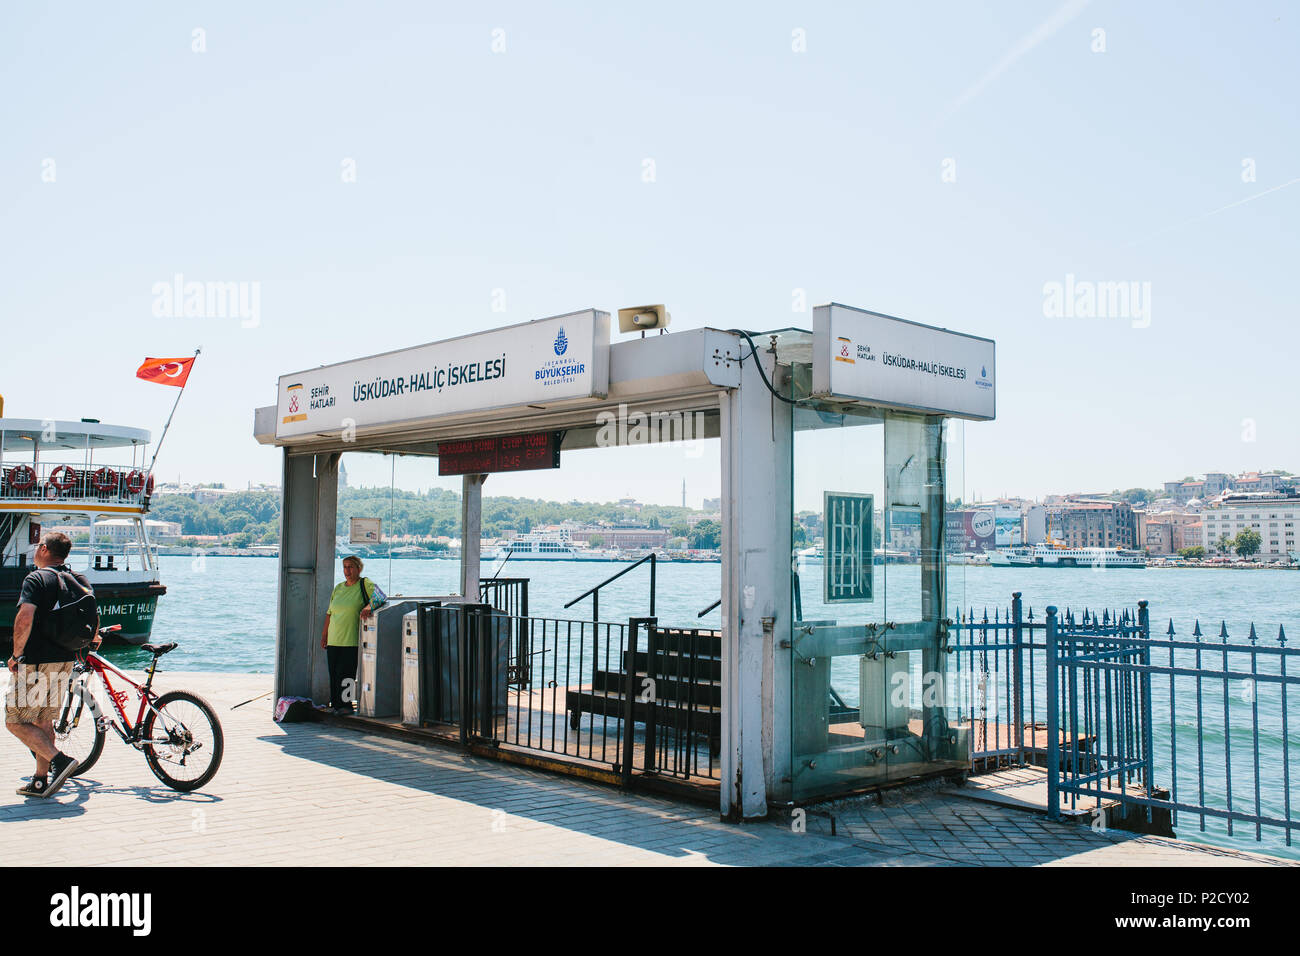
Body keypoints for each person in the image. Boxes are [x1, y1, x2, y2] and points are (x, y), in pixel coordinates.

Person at [5, 531, 98, 798]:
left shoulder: (37, 578)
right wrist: (89, 643)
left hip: (35, 661)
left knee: (16, 722)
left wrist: (16, 655)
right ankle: (40, 780)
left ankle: (60, 761)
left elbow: (25, 617)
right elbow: (94, 614)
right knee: (45, 720)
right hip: (65, 660)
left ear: (45, 549)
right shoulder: (78, 578)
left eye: (38, 546)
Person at [320, 556, 378, 715]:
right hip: (334, 638)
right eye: (345, 567)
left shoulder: (364, 584)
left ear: (359, 568)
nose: (347, 571)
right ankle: (336, 705)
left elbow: (379, 597)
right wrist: (324, 635)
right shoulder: (338, 588)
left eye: (351, 567)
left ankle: (346, 706)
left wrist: (368, 606)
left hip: (351, 639)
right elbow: (329, 613)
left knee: (346, 674)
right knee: (334, 674)